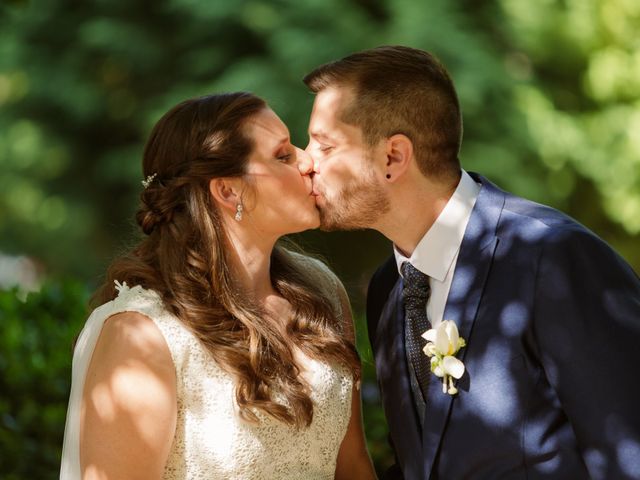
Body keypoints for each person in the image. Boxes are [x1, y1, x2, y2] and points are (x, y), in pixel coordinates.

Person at [303, 45, 640, 479]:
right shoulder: (389, 290)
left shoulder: (553, 257)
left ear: (393, 157)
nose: (305, 162)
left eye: (324, 145)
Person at [60, 92, 377, 479]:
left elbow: (354, 466)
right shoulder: (144, 334)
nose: (308, 161)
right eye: (282, 155)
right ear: (228, 191)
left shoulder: (322, 292)